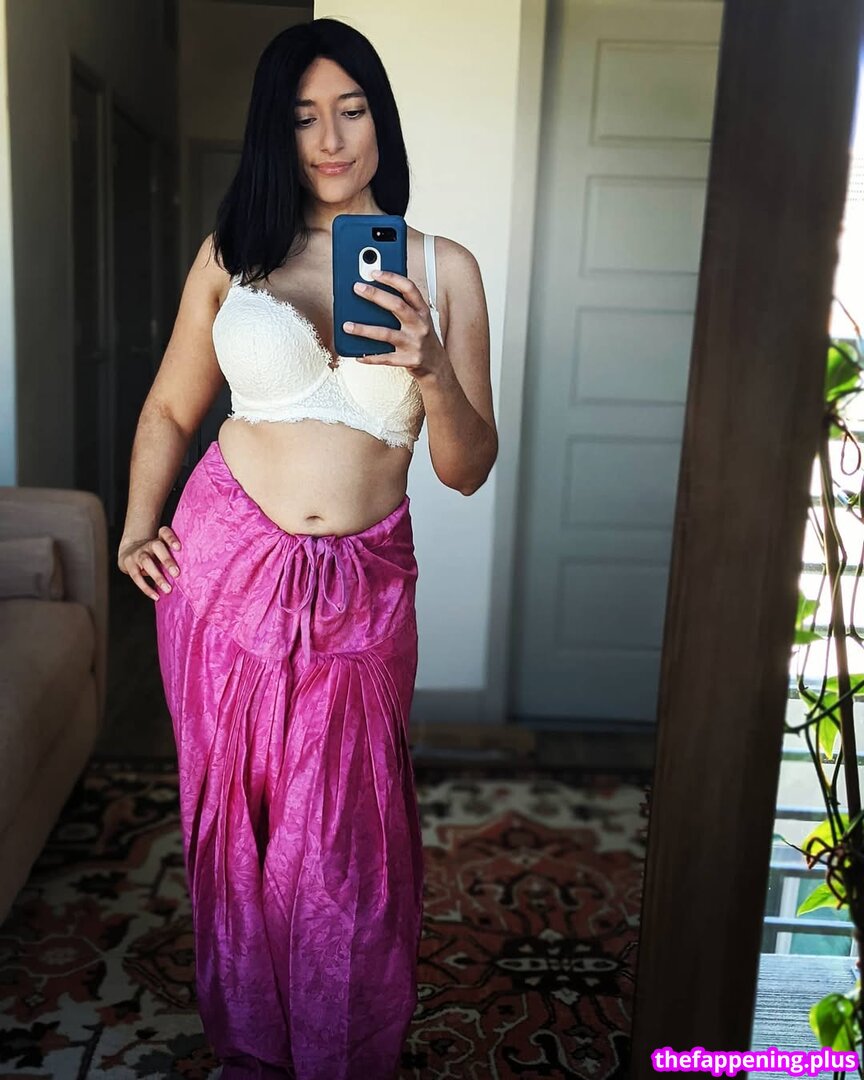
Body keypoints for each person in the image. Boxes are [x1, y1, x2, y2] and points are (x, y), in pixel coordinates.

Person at [117, 16, 496, 1080]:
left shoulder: (444, 270)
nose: (330, 139)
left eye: (351, 109)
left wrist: (431, 369)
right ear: (273, 134)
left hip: (362, 591)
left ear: (382, 120)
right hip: (222, 573)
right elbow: (170, 409)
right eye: (302, 117)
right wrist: (137, 526)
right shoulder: (230, 257)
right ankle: (252, 1052)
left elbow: (467, 468)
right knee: (235, 836)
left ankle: (340, 1054)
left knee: (342, 846)